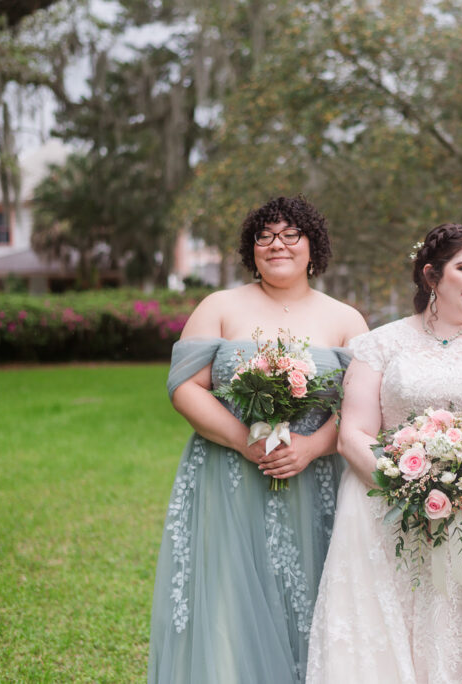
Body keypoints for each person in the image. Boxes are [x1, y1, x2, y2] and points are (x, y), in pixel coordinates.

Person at [306, 223, 462, 684]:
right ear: (431, 276)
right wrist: (411, 488)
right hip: (391, 511)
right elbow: (354, 434)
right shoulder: (379, 345)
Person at [147, 196, 369, 684]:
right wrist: (244, 440)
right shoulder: (219, 306)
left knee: (312, 593)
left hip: (315, 480)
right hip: (227, 476)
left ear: (314, 246)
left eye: (291, 234)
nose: (277, 245)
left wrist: (311, 448)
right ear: (252, 249)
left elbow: (362, 409)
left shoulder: (347, 319)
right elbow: (184, 388)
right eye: (265, 236)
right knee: (228, 595)